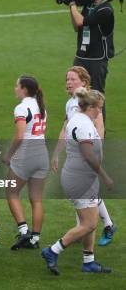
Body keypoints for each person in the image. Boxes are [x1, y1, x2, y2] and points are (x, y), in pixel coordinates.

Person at [42, 88, 112, 275]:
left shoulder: (79, 119)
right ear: (90, 107)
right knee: (89, 224)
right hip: (80, 178)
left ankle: (88, 262)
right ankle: (52, 250)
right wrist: (105, 176)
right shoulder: (84, 125)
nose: (100, 112)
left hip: (82, 177)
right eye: (99, 108)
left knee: (89, 220)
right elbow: (88, 155)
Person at [51, 66, 116, 246]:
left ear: (84, 82)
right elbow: (65, 129)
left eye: (73, 79)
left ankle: (89, 228)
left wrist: (98, 149)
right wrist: (56, 153)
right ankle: (99, 226)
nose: (69, 82)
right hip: (77, 153)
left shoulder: (90, 99)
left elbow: (100, 124)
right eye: (67, 79)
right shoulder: (70, 103)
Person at [3, 75, 48, 250]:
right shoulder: (42, 106)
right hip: (42, 155)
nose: (15, 89)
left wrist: (9, 155)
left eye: (17, 86)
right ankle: (35, 239)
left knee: (11, 192)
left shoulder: (21, 108)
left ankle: (23, 232)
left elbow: (20, 136)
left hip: (26, 156)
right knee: (36, 199)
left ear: (24, 89)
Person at [69, 0, 116, 100]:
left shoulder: (106, 9)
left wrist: (72, 3)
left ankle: (100, 120)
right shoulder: (89, 6)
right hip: (81, 55)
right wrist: (71, 7)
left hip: (97, 58)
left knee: (96, 95)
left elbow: (81, 22)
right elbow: (76, 27)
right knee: (77, 93)